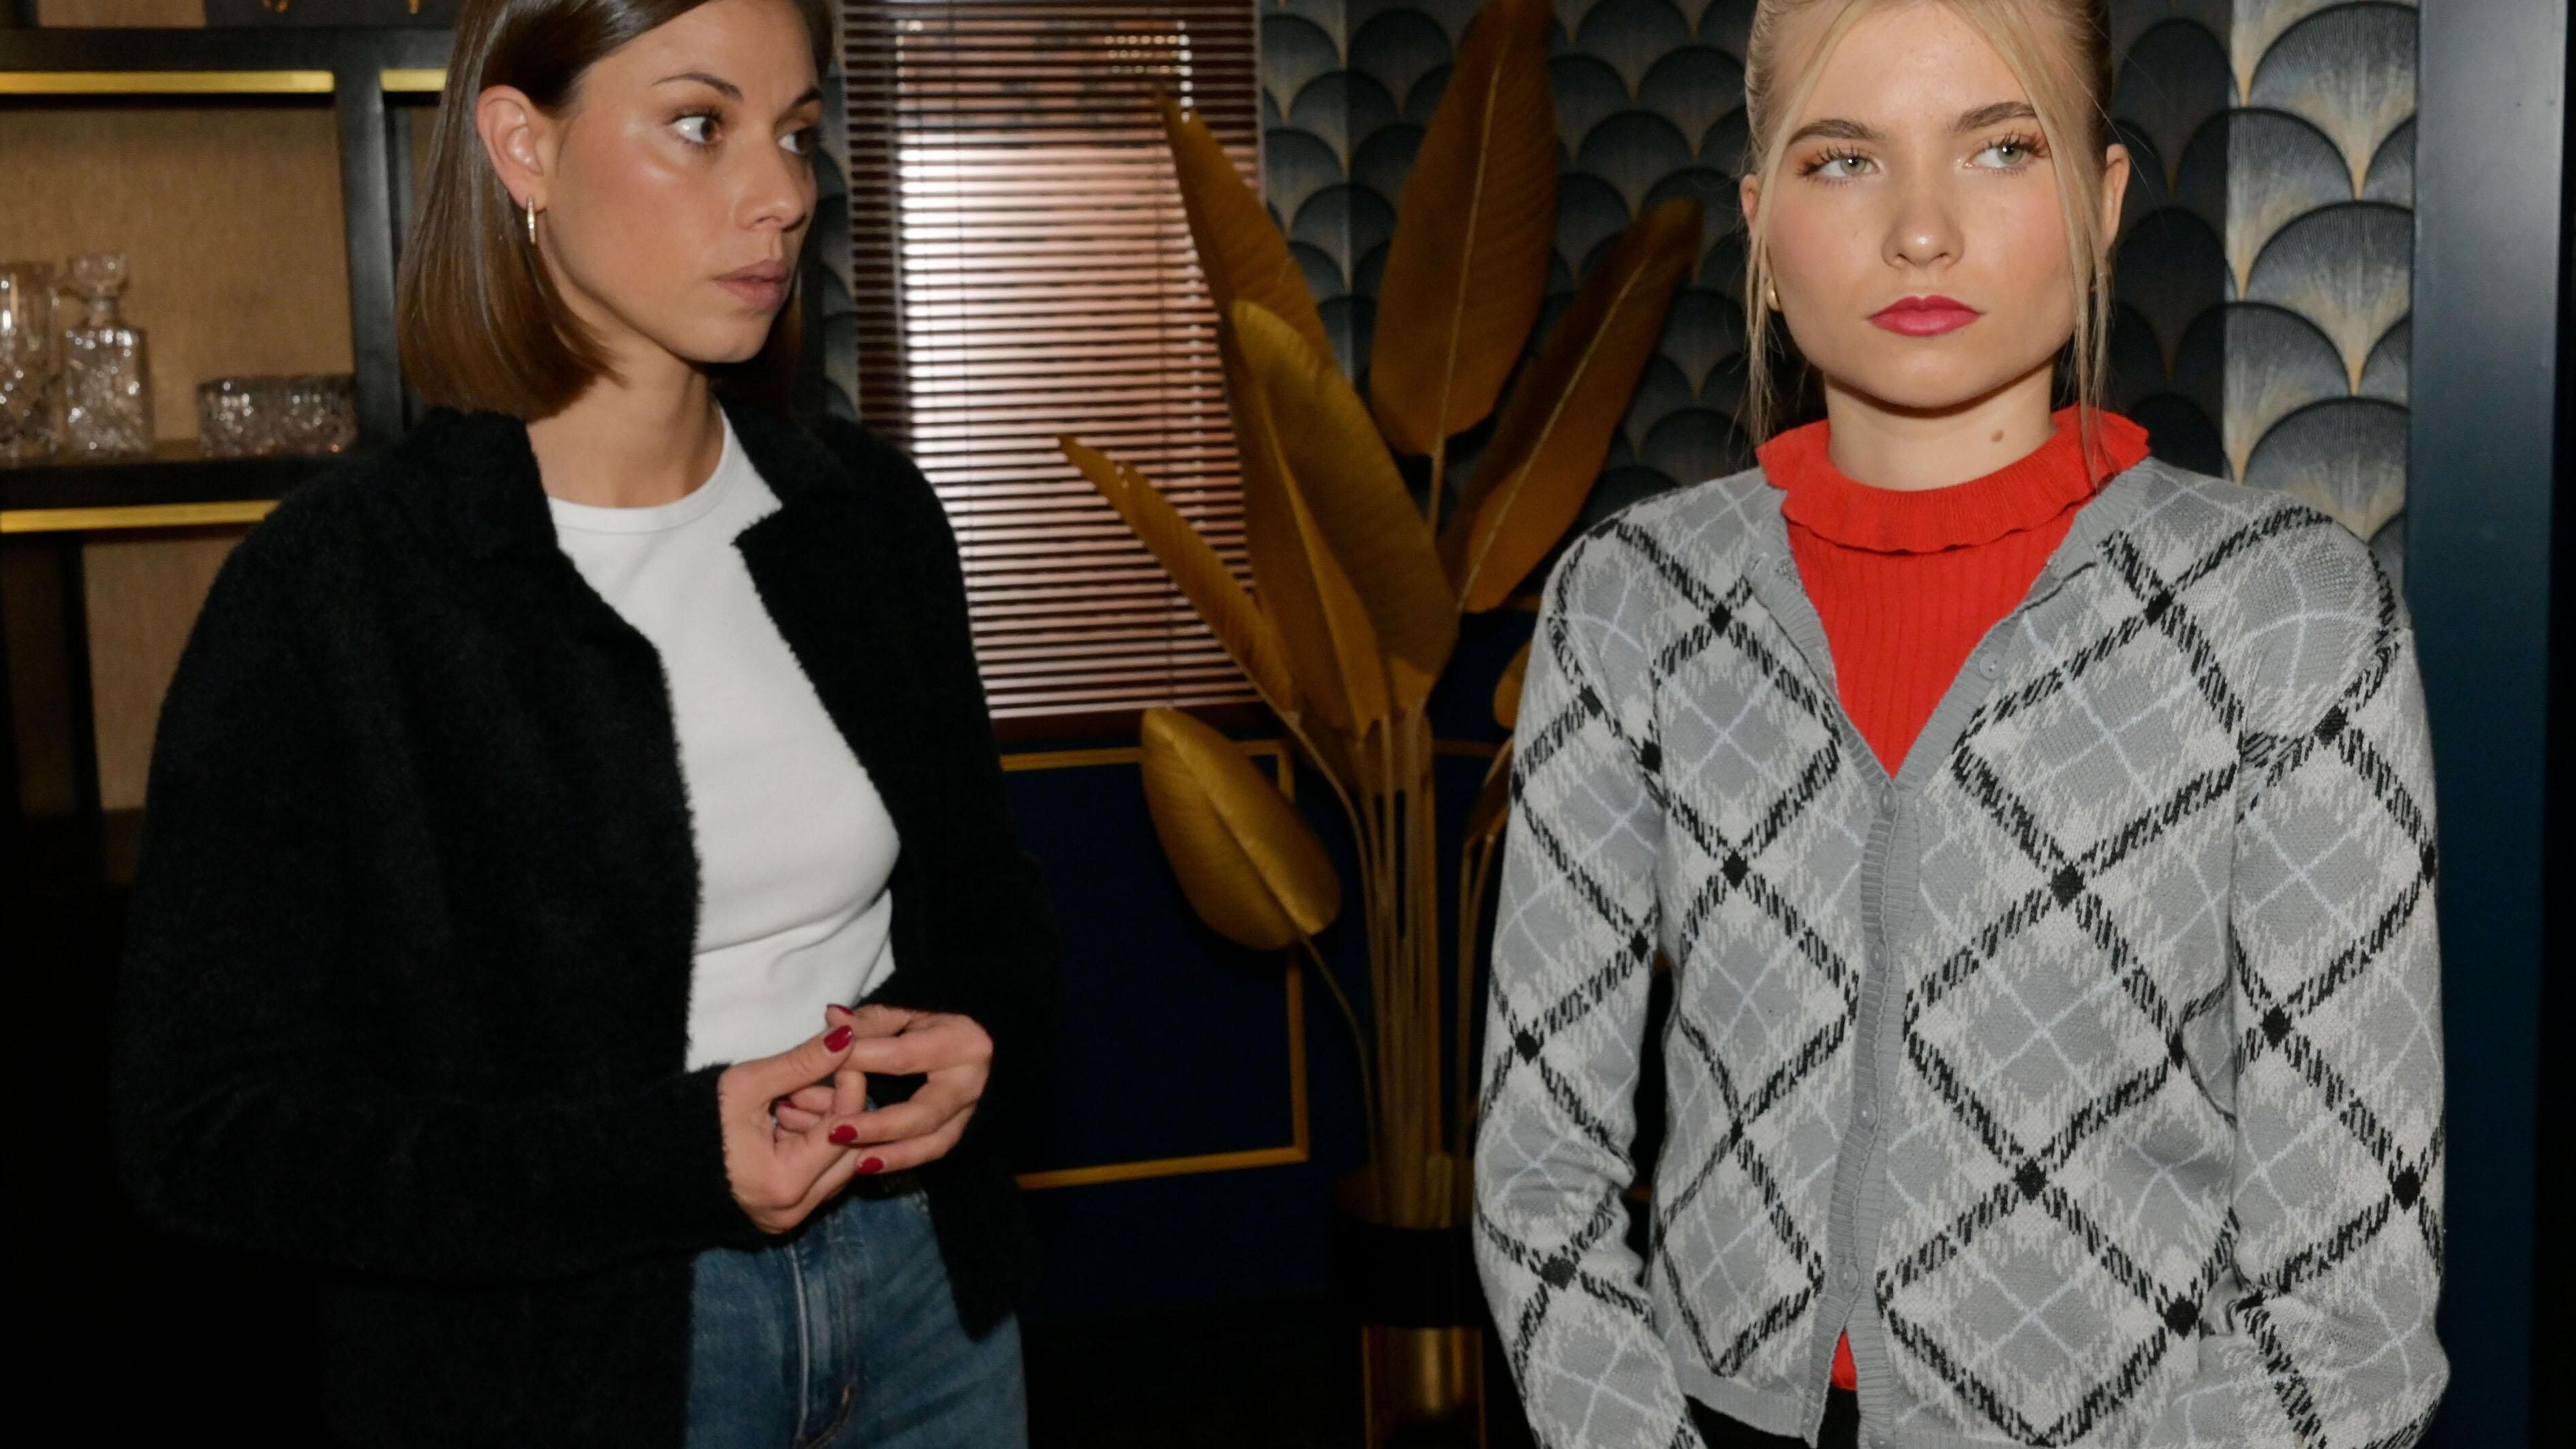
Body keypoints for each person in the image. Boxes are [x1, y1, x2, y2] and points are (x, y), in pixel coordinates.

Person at [1473, 2, 2447, 1446]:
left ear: (2103, 201)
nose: (1921, 231)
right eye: (1843, 160)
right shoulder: (1630, 603)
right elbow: (1538, 1174)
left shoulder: (2289, 616)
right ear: (1762, 224)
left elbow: (2348, 1310)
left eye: (2001, 147)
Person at [110, 0, 1056, 1444]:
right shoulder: (336, 591)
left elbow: (993, 917)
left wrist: (975, 1045)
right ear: (522, 146)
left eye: (798, 133)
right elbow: (204, 1132)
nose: (782, 192)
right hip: (563, 1366)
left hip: (927, 1301)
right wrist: (661, 1161)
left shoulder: (869, 523)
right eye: (701, 124)